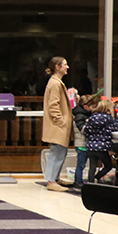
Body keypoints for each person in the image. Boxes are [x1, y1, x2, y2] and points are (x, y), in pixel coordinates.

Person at [42, 56, 72, 191]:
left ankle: (55, 177)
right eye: (65, 64)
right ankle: (51, 181)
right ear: (57, 67)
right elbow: (53, 105)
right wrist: (60, 121)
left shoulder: (56, 82)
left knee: (61, 152)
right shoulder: (55, 83)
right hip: (58, 125)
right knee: (56, 152)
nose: (67, 67)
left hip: (60, 125)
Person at [84, 98, 118, 183]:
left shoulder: (92, 117)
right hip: (102, 147)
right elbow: (116, 128)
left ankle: (90, 183)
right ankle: (97, 177)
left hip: (91, 146)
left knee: (92, 167)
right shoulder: (109, 118)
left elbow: (86, 130)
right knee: (108, 166)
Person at [71, 94, 96, 188]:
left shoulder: (87, 115)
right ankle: (78, 181)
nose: (94, 109)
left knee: (88, 164)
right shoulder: (80, 116)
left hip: (87, 144)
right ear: (86, 107)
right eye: (93, 107)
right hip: (82, 144)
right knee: (81, 164)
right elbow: (83, 130)